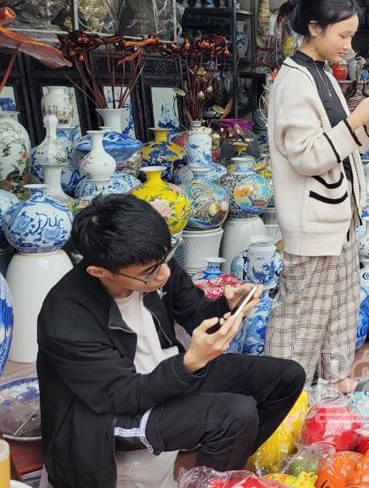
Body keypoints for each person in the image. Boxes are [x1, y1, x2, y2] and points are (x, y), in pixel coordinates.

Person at [36, 195, 305, 487]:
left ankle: (220, 470)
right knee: (235, 415)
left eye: (165, 259)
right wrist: (190, 363)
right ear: (99, 272)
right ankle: (211, 474)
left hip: (164, 378)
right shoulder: (66, 318)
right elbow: (125, 396)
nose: (164, 273)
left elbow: (196, 313)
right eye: (149, 272)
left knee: (286, 377)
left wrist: (228, 307)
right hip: (105, 418)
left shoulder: (153, 261)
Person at [265, 0, 369, 392]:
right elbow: (307, 157)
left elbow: (339, 142)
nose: (348, 46)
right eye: (343, 35)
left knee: (339, 311)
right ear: (314, 28)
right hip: (314, 223)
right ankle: (284, 401)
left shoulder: (320, 73)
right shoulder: (294, 81)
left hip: (338, 218)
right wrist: (356, 122)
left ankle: (335, 387)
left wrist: (368, 122)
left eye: (351, 36)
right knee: (300, 323)